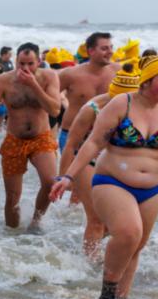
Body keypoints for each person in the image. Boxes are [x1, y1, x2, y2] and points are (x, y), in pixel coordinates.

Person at [51, 55, 158, 299]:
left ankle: (121, 298)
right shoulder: (121, 104)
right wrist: (68, 177)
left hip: (151, 188)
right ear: (147, 81)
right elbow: (93, 143)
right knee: (128, 232)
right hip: (112, 181)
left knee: (137, 245)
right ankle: (107, 290)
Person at [58, 63, 139, 257]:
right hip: (89, 162)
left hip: (120, 165)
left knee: (116, 224)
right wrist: (63, 176)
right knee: (96, 219)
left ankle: (95, 252)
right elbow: (71, 144)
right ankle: (89, 266)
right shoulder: (93, 108)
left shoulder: (142, 107)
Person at [0, 43, 62, 232]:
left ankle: (35, 222)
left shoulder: (49, 77)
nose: (25, 69)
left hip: (41, 137)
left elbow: (55, 110)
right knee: (12, 196)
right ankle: (11, 237)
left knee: (50, 183)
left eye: (30, 64)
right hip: (14, 140)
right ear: (15, 61)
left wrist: (33, 84)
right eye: (21, 63)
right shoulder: (3, 81)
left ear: (39, 62)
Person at [57, 32, 116, 152]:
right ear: (91, 51)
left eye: (111, 47)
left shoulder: (118, 72)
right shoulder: (70, 74)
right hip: (72, 134)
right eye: (104, 48)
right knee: (71, 171)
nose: (110, 52)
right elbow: (50, 95)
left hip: (104, 136)